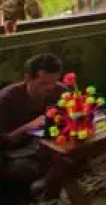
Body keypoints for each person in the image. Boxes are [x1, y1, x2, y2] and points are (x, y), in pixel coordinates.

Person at [0, 53, 64, 202]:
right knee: (23, 168)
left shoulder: (60, 91)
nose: (50, 88)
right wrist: (27, 128)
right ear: (28, 78)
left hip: (47, 145)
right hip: (14, 152)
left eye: (54, 82)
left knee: (74, 157)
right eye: (43, 83)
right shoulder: (6, 100)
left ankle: (50, 190)